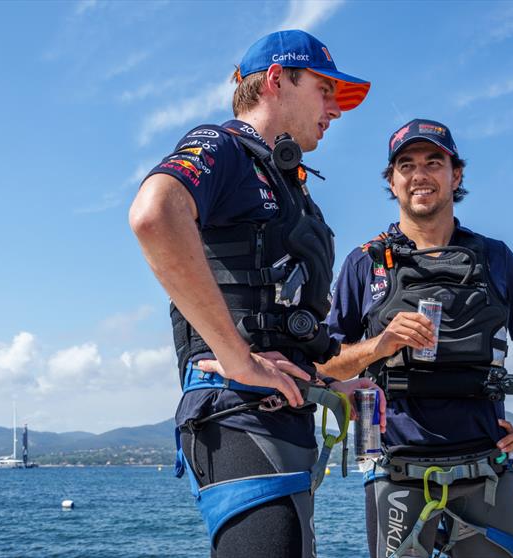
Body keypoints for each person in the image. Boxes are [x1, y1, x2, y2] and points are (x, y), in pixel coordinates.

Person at [129, 30, 381, 558]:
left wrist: (329, 385)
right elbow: (155, 213)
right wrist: (236, 358)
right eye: (324, 89)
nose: (335, 108)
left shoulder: (287, 183)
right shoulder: (223, 148)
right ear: (275, 80)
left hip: (280, 418)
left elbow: (278, 321)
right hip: (235, 416)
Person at [319, 119, 513, 558]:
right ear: (392, 182)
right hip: (395, 470)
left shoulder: (496, 258)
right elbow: (323, 365)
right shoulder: (363, 264)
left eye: (435, 162)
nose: (420, 175)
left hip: (487, 470)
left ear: (457, 175)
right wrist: (378, 345)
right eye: (406, 164)